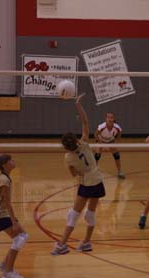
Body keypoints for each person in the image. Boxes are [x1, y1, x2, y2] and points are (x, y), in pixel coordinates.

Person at [51, 93, 105, 255]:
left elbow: (73, 174)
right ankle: (86, 242)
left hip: (87, 183)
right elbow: (85, 122)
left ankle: (61, 244)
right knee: (90, 214)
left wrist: (79, 170)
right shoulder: (84, 143)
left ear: (66, 147)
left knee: (73, 215)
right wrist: (78, 106)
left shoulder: (68, 157)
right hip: (98, 180)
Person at [0, 154, 28, 278]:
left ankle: (3, 264)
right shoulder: (4, 180)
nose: (13, 161)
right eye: (11, 160)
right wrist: (14, 221)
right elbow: (7, 203)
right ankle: (7, 272)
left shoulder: (5, 178)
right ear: (5, 165)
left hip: (2, 214)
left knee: (23, 236)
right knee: (19, 239)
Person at [94, 112, 125, 179]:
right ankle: (94, 172)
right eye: (108, 117)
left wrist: (116, 144)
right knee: (97, 155)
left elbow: (119, 135)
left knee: (117, 155)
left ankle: (119, 172)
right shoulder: (102, 127)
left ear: (114, 119)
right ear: (106, 119)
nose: (110, 119)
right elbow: (96, 135)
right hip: (101, 140)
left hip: (111, 141)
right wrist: (102, 145)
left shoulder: (117, 128)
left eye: (111, 117)